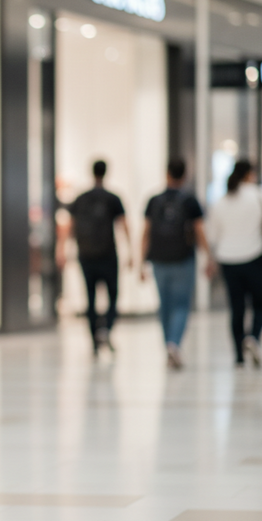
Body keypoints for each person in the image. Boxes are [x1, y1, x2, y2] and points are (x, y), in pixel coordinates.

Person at [207, 159, 262, 368]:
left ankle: (238, 354)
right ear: (249, 174)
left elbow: (212, 236)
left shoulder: (220, 201)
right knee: (261, 302)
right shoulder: (259, 195)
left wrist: (210, 260)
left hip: (228, 260)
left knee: (237, 307)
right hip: (256, 257)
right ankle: (254, 337)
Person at [140, 158, 210, 369]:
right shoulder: (190, 201)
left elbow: (146, 233)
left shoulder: (154, 200)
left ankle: (168, 344)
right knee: (181, 305)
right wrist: (209, 257)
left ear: (167, 174)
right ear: (184, 175)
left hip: (159, 259)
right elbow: (199, 231)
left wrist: (141, 262)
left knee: (165, 305)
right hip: (183, 259)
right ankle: (174, 344)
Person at [69, 160, 131, 353]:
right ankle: (106, 329)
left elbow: (70, 227)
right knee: (113, 295)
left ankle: (95, 340)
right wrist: (130, 251)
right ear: (106, 173)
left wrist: (63, 250)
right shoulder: (113, 198)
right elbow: (123, 224)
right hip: (108, 255)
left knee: (90, 297)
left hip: (86, 254)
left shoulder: (80, 198)